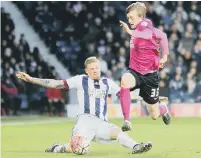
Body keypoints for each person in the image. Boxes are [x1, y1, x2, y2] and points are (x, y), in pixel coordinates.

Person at [16, 57, 152, 155]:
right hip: (84, 121)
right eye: (91, 69)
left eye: (97, 68)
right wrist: (31, 79)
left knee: (117, 132)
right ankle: (58, 148)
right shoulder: (80, 80)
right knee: (78, 149)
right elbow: (56, 84)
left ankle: (136, 146)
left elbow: (125, 95)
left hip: (101, 123)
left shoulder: (107, 82)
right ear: (86, 71)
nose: (95, 71)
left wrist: (150, 98)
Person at [119, 2, 171, 132]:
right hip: (135, 71)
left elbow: (150, 36)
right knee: (125, 80)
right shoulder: (137, 29)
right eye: (128, 17)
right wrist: (164, 55)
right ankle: (126, 121)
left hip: (150, 76)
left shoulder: (145, 27)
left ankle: (163, 107)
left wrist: (165, 56)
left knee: (154, 115)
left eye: (132, 17)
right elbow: (162, 36)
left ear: (140, 17)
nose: (129, 20)